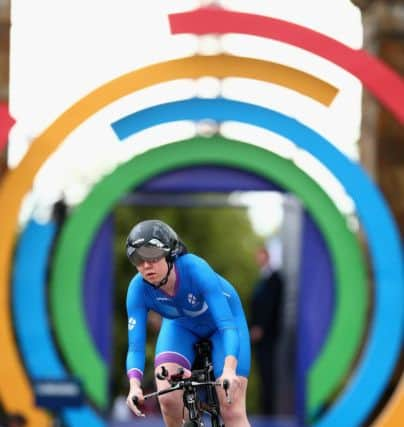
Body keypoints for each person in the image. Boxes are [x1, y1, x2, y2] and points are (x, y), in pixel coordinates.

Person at [124, 219, 251, 427]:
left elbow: (227, 327)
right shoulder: (137, 289)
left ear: (170, 255)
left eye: (153, 256)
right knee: (166, 397)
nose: (146, 265)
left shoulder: (196, 269)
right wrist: (134, 386)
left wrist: (229, 370)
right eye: (138, 258)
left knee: (231, 406)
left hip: (224, 327)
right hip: (181, 326)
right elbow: (136, 347)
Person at [249, 246, 284, 415]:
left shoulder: (275, 279)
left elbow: (271, 307)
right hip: (259, 336)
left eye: (261, 255)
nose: (259, 259)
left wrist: (261, 327)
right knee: (263, 373)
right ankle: (265, 410)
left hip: (267, 335)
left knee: (268, 373)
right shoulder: (263, 278)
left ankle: (269, 411)